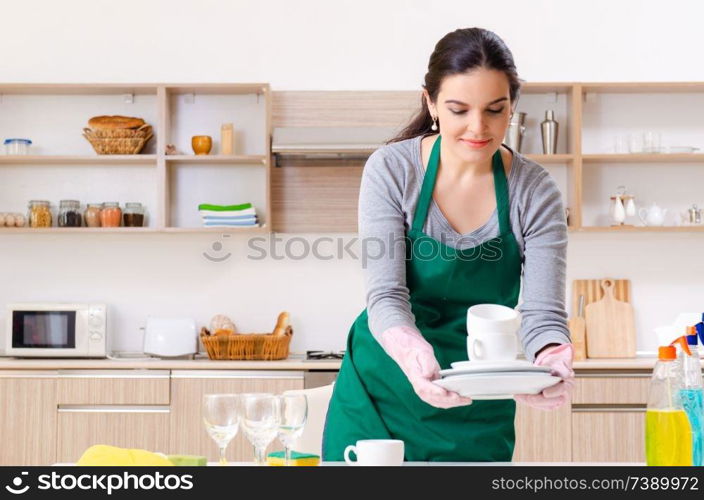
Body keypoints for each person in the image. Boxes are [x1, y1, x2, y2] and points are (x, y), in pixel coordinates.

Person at [322, 27, 575, 462]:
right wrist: (413, 351)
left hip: (478, 397)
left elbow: (542, 314)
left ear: (512, 107)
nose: (478, 128)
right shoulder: (393, 170)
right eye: (459, 110)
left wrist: (554, 359)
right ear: (431, 103)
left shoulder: (535, 191)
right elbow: (385, 295)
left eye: (495, 111)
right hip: (383, 385)